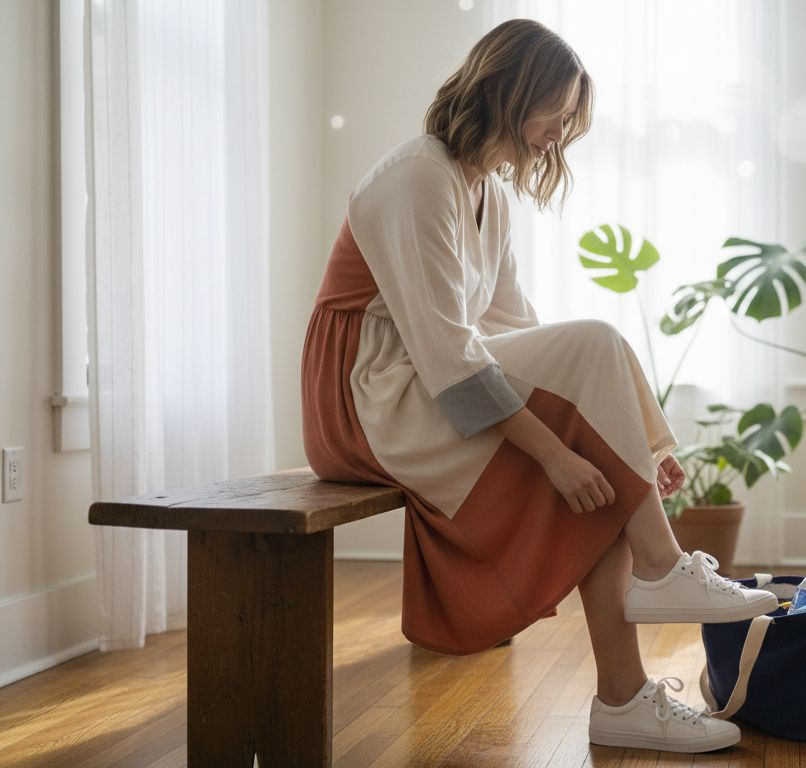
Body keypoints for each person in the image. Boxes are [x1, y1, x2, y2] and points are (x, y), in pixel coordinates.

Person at [299, 18, 777, 754]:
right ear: (506, 91)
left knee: (597, 393)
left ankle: (624, 694)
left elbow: (517, 329)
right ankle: (657, 577)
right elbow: (448, 355)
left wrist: (631, 454)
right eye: (555, 112)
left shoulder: (487, 191)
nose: (560, 133)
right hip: (365, 399)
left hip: (420, 379)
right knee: (586, 397)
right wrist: (556, 453)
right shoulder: (418, 177)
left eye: (569, 119)